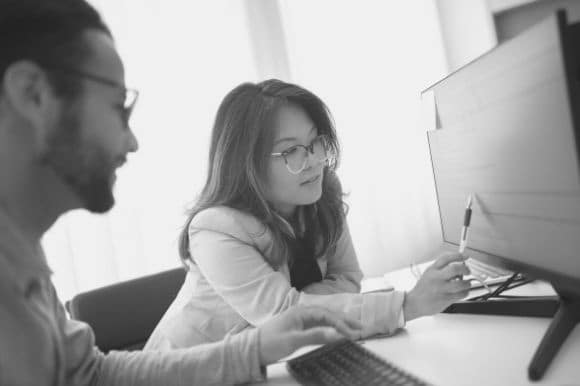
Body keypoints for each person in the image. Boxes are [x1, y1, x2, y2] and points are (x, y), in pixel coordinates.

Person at [0, 1, 364, 385]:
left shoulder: (22, 253)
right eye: (117, 108)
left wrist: (254, 349)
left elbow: (90, 374)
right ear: (33, 94)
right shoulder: (219, 226)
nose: (132, 141)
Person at [145, 79, 472, 350]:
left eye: (315, 142)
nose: (314, 160)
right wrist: (408, 305)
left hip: (278, 360)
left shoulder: (321, 190)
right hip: (185, 371)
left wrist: (298, 305)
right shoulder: (215, 229)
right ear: (246, 163)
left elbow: (347, 279)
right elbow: (283, 316)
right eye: (291, 151)